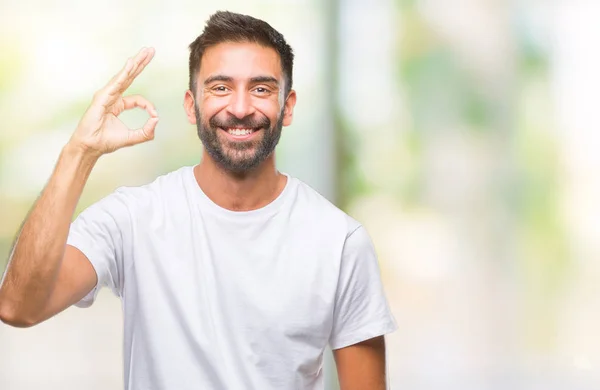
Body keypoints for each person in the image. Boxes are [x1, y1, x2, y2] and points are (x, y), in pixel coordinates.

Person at [0, 10, 397, 390]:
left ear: (286, 107)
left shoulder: (340, 242)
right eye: (220, 87)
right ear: (192, 106)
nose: (240, 108)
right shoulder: (133, 219)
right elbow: (18, 307)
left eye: (261, 89)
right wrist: (80, 151)